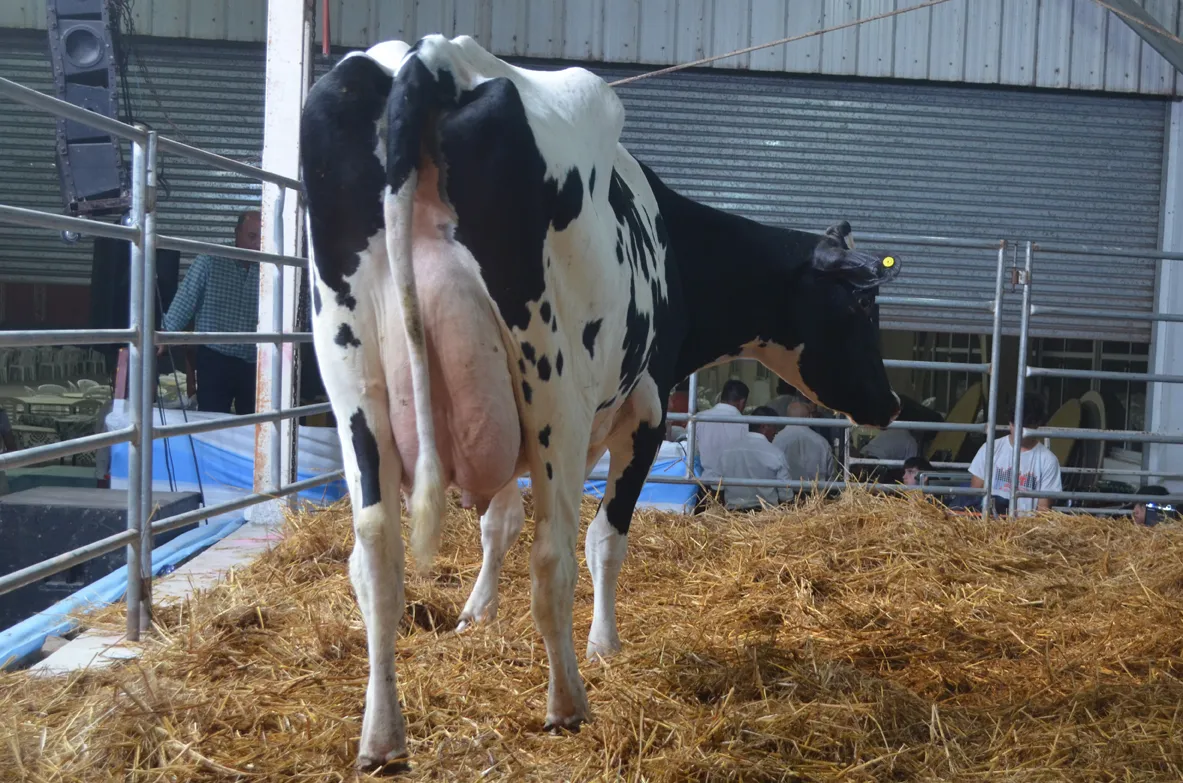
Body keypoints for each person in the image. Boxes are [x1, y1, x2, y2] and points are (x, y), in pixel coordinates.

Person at [160, 209, 261, 415]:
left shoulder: (272, 269)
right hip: (215, 359)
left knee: (254, 424)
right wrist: (164, 335)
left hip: (255, 361)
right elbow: (185, 301)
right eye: (252, 236)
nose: (257, 244)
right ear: (237, 233)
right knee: (212, 420)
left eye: (262, 238)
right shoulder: (210, 260)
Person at [968, 393, 1062, 516]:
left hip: (1024, 525)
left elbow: (1043, 511)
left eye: (1026, 426)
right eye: (1014, 424)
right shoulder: (990, 448)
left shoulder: (1048, 460)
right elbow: (975, 495)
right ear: (1009, 422)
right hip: (989, 522)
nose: (1019, 431)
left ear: (1037, 424)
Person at [717, 406, 791, 511]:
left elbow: (717, 488)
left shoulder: (727, 451)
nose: (776, 432)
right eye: (775, 427)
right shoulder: (775, 453)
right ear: (764, 426)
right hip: (767, 514)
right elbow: (786, 495)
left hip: (733, 513)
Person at [696, 379, 749, 484]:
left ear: (721, 397)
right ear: (742, 402)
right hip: (734, 484)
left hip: (705, 482)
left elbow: (690, 451)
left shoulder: (699, 418)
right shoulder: (744, 423)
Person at [772, 400, 835, 486]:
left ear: (787, 417)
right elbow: (830, 476)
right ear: (809, 417)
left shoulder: (776, 440)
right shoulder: (822, 442)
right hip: (816, 491)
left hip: (785, 490)